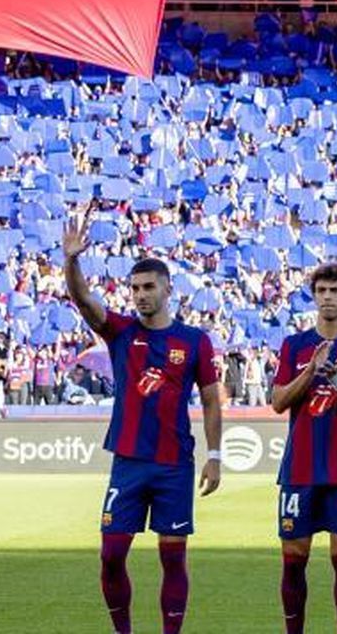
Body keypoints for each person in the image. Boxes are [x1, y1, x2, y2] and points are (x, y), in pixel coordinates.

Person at [64, 207, 223, 634]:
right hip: (129, 461)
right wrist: (72, 261)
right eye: (134, 287)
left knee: (173, 556)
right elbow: (83, 301)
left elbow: (211, 401)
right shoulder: (120, 332)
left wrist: (216, 455)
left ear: (168, 289)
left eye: (149, 286)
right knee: (111, 555)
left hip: (174, 464)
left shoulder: (194, 341)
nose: (140, 294)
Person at [269, 263, 337, 634]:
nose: (328, 298)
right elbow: (279, 401)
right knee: (293, 561)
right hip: (299, 469)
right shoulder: (294, 345)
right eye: (322, 291)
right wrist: (310, 371)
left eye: (335, 291)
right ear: (314, 297)